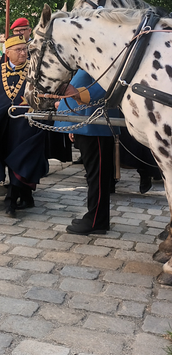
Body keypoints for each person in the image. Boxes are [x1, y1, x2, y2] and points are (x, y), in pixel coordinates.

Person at [0, 29, 48, 216]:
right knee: (5, 152)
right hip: (2, 123)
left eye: (24, 49)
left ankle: (11, 200)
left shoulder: (34, 70)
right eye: (18, 50)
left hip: (26, 124)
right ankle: (26, 196)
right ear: (7, 53)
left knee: (20, 158)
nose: (23, 52)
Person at [55, 68, 118, 234]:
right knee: (93, 176)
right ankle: (96, 216)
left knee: (97, 177)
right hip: (87, 125)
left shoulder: (100, 63)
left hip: (96, 127)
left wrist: (75, 93)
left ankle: (96, 219)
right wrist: (72, 125)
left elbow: (103, 89)